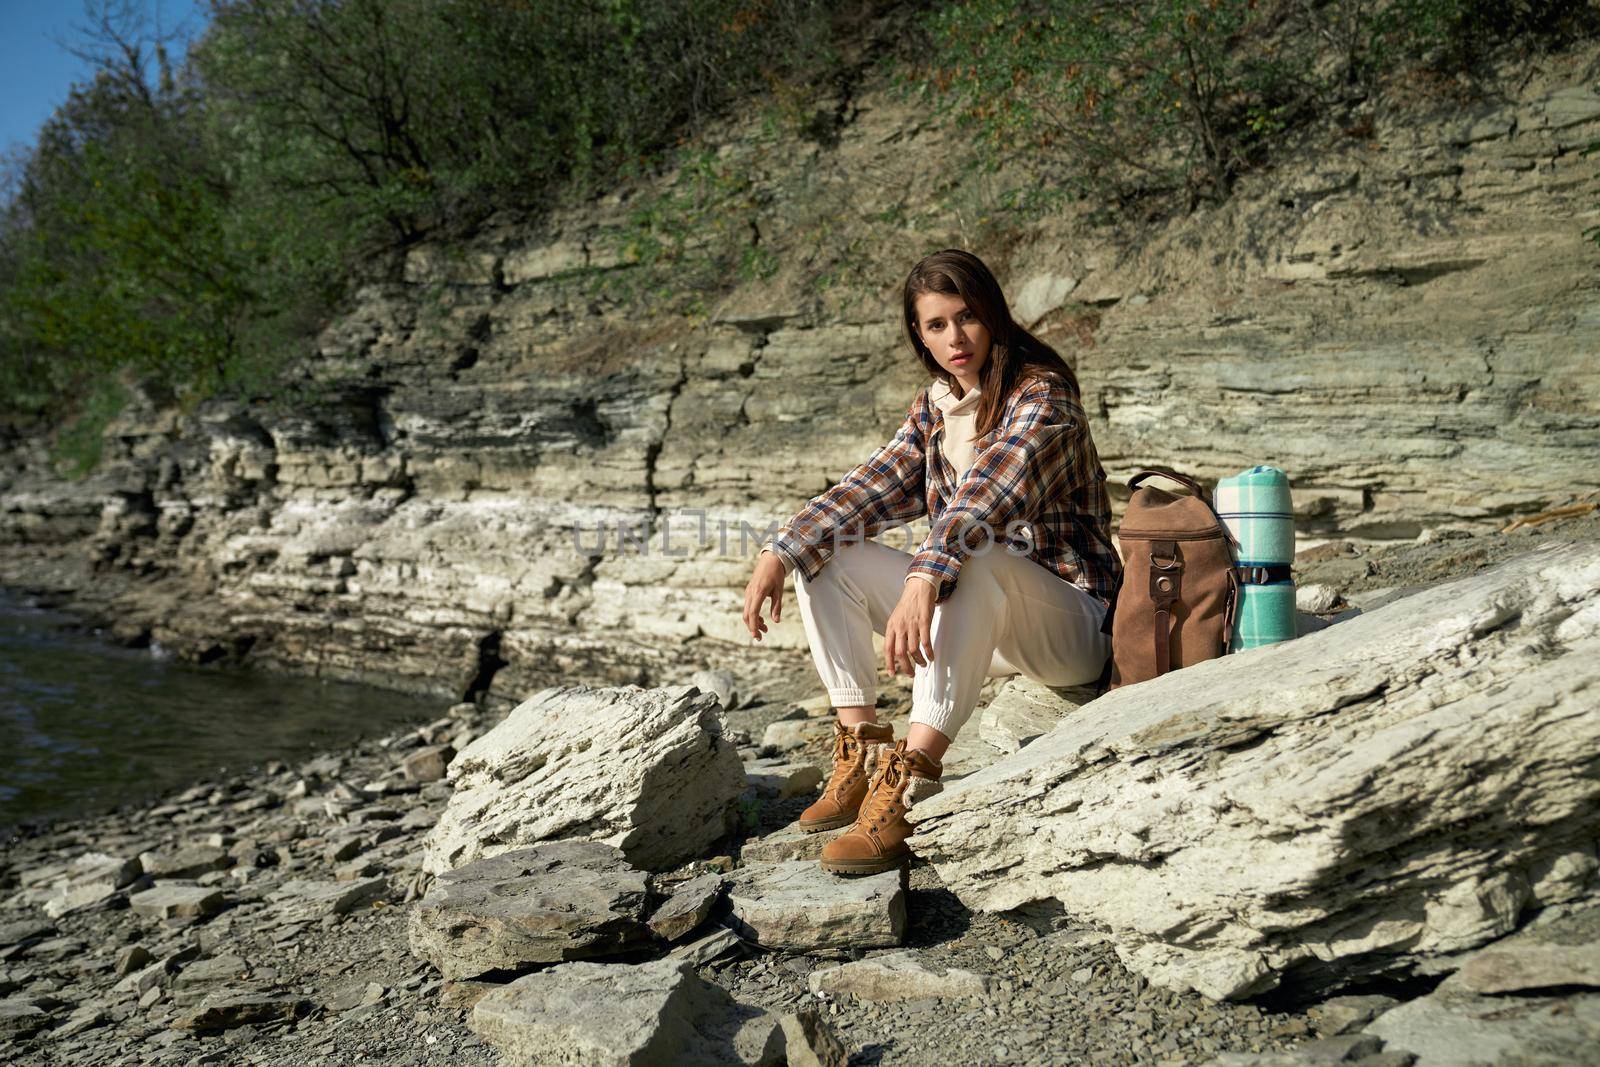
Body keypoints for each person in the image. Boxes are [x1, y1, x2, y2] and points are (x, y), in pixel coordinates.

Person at [740, 248, 1123, 876]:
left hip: (1075, 628)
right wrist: (780, 549)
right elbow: (874, 483)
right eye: (935, 325)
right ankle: (863, 750)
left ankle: (913, 777)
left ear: (994, 315)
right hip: (985, 623)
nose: (955, 338)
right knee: (826, 554)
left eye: (966, 317)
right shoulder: (937, 405)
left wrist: (924, 573)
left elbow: (990, 495)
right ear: (918, 334)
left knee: (974, 553)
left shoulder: (1042, 395)